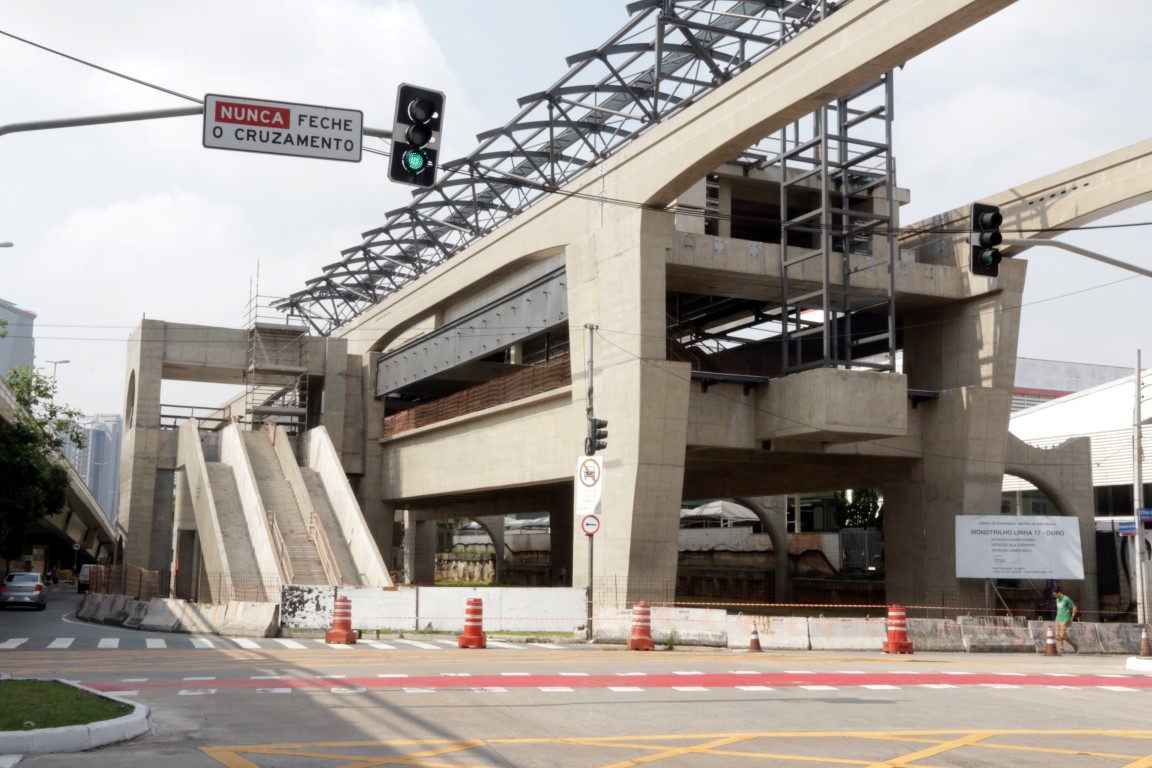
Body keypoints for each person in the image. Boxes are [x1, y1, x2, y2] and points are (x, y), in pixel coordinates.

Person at [1052, 586, 1079, 654]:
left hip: (1065, 619)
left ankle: (1075, 645)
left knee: (1062, 635)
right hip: (1058, 619)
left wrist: (1072, 617)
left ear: (1059, 593)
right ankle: (1061, 650)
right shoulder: (1057, 600)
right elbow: (1058, 608)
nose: (1055, 596)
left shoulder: (1066, 599)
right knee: (1058, 635)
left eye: (1055, 594)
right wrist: (1057, 617)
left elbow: (1074, 608)